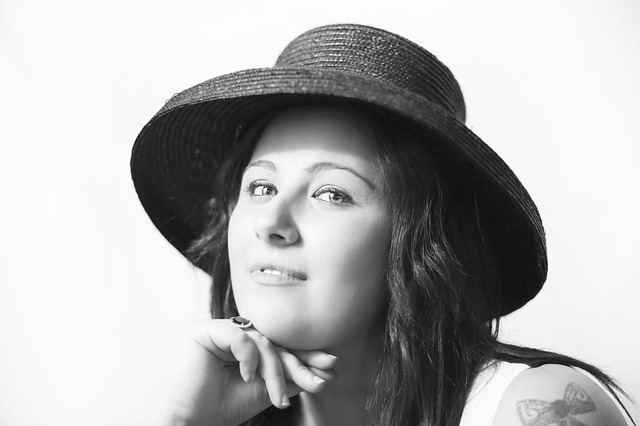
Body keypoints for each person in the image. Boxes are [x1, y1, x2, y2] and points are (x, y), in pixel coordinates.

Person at [131, 24, 635, 426]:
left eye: (331, 194)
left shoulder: (531, 407)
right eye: (260, 187)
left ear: (419, 245)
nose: (271, 223)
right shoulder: (217, 413)